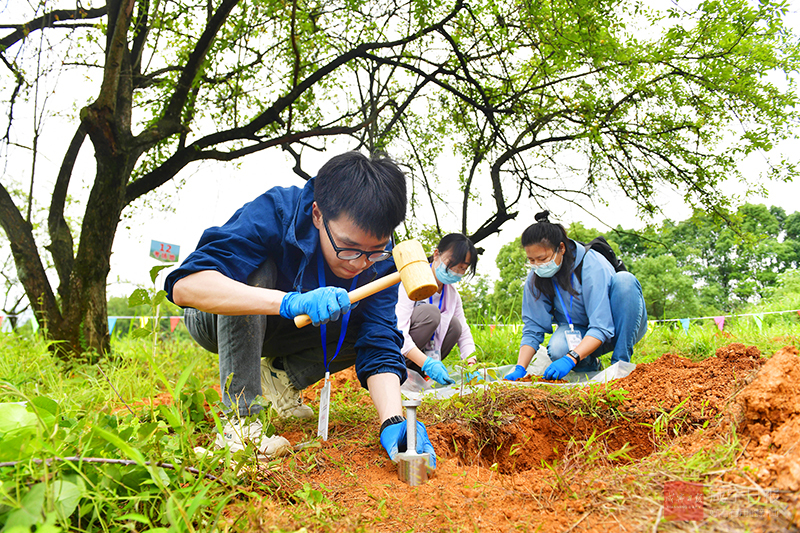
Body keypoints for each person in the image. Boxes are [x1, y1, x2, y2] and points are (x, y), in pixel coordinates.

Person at [165, 151, 436, 467]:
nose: (361, 263)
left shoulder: (382, 261)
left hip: (285, 333)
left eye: (374, 251)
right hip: (216, 320)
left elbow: (378, 341)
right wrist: (287, 302)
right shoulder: (275, 213)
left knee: (361, 316)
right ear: (318, 215)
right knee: (255, 269)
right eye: (348, 248)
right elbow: (184, 286)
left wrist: (393, 420)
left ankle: (279, 379)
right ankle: (241, 425)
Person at [504, 211, 647, 382]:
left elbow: (601, 326)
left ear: (561, 248)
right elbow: (533, 328)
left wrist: (569, 359)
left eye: (542, 258)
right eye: (531, 260)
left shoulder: (593, 264)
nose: (537, 265)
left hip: (618, 327)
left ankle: (621, 365)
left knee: (625, 281)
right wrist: (520, 367)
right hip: (580, 331)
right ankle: (588, 365)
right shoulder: (536, 277)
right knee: (558, 349)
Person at [395, 234, 479, 385]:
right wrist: (427, 363)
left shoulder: (452, 294)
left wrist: (471, 364)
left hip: (426, 356)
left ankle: (421, 373)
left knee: (455, 325)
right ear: (436, 255)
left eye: (462, 268)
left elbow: (464, 333)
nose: (455, 271)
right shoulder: (412, 282)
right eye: (451, 263)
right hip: (399, 350)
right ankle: (402, 367)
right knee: (431, 314)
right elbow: (398, 330)